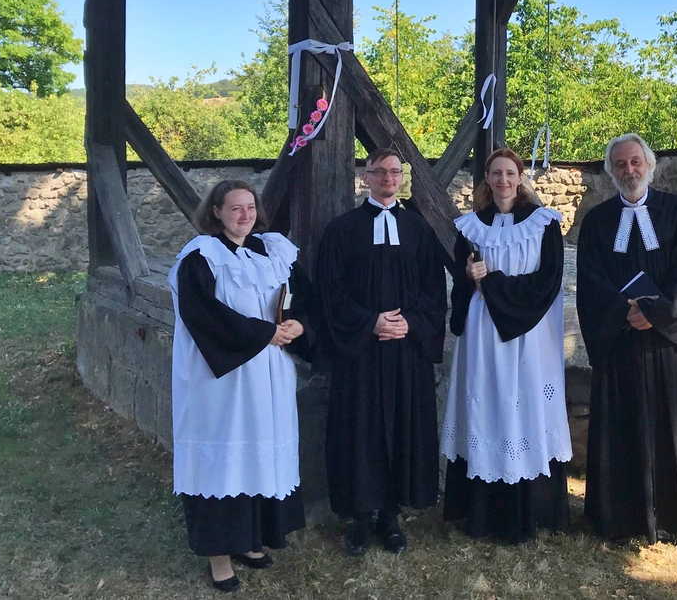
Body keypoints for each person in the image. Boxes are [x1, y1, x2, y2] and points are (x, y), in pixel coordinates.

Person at [169, 179, 313, 592]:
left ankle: (249, 540)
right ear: (215, 211)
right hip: (223, 378)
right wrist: (262, 335)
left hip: (269, 374)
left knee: (257, 453)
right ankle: (219, 556)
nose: (245, 215)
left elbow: (304, 296)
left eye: (250, 207)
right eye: (235, 208)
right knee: (225, 457)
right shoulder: (201, 256)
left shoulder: (274, 249)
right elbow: (204, 316)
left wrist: (300, 323)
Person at [576, 134, 677, 558]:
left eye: (636, 162)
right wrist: (624, 312)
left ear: (650, 166)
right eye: (620, 165)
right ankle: (618, 519)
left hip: (665, 342)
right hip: (619, 344)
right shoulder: (597, 221)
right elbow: (590, 279)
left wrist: (654, 311)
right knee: (621, 428)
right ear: (610, 171)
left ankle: (676, 523)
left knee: (670, 427)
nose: (629, 171)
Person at [317, 148, 447, 556]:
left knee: (401, 428)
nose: (389, 178)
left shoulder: (418, 230)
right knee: (360, 431)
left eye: (396, 172)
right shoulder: (342, 230)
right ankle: (359, 518)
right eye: (381, 172)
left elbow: (433, 291)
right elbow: (329, 292)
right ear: (365, 177)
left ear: (402, 179)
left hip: (407, 350)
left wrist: (410, 322)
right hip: (360, 352)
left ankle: (390, 516)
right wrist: (370, 322)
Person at [441, 148, 572, 543]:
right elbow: (463, 285)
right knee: (487, 405)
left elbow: (548, 281)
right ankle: (481, 513)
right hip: (483, 337)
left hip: (529, 336)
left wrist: (494, 284)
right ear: (486, 178)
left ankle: (533, 509)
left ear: (520, 178)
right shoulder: (469, 227)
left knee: (526, 406)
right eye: (495, 173)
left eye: (509, 173)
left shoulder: (544, 223)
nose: (502, 180)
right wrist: (467, 275)